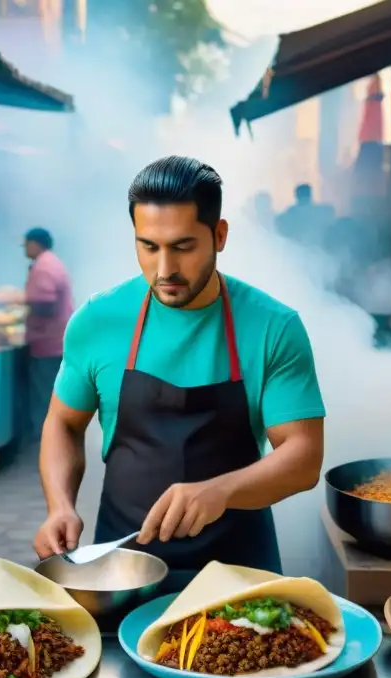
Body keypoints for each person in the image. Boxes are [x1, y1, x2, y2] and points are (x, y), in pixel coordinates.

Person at [33, 156, 326, 587]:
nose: (164, 269)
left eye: (183, 246)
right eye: (148, 246)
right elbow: (63, 421)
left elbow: (303, 457)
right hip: (124, 567)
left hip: (240, 569)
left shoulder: (272, 326)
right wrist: (60, 505)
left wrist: (221, 491)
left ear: (219, 235)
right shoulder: (98, 320)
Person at [23, 227, 74, 441]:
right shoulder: (52, 262)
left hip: (48, 342)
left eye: (26, 244)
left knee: (45, 394)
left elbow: (45, 304)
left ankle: (47, 440)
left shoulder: (44, 266)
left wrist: (23, 311)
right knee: (54, 393)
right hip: (57, 339)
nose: (25, 249)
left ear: (35, 243)